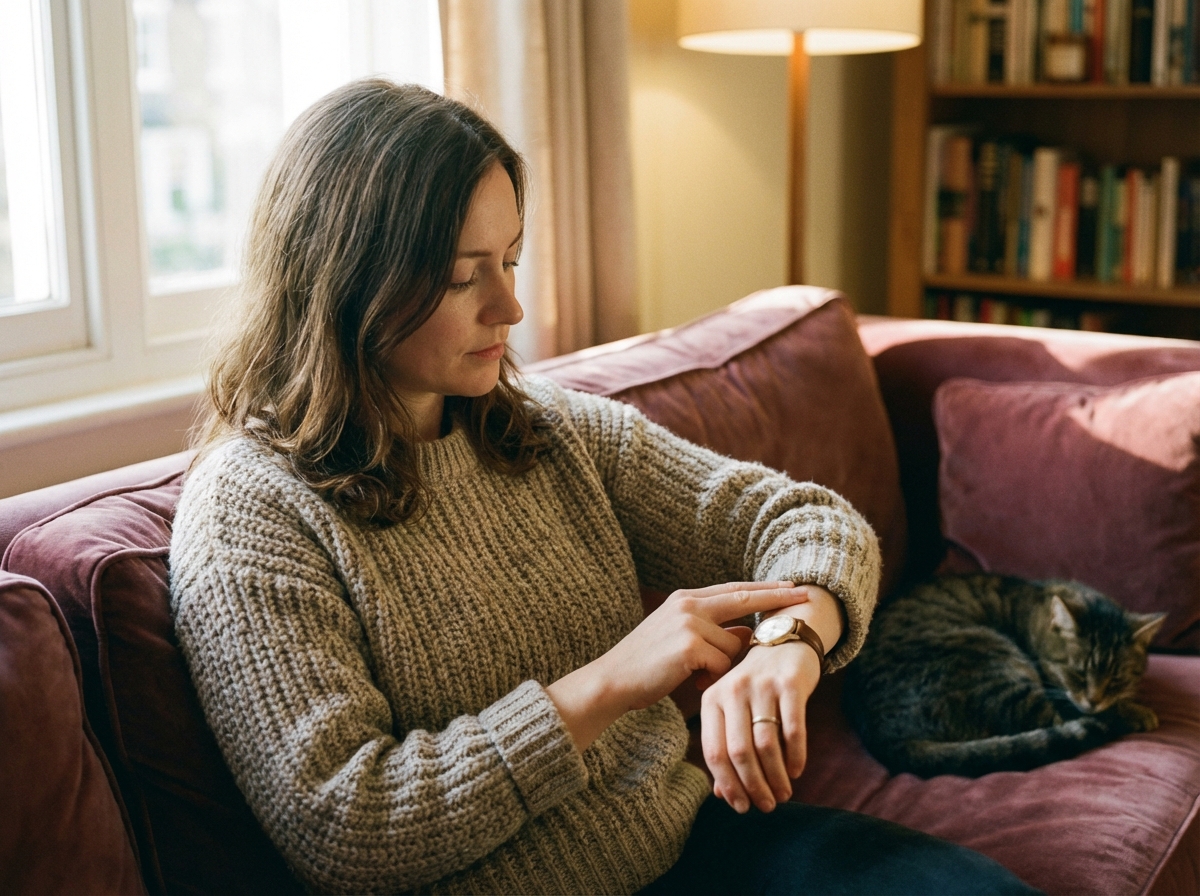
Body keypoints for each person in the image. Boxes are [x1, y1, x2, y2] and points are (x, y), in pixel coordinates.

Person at [170, 79, 1039, 895]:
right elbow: (346, 825)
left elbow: (809, 519)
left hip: (694, 848)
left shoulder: (541, 428)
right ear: (347, 276)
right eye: (463, 273)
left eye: (510, 259)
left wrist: (789, 642)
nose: (508, 310)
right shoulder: (250, 515)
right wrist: (609, 683)